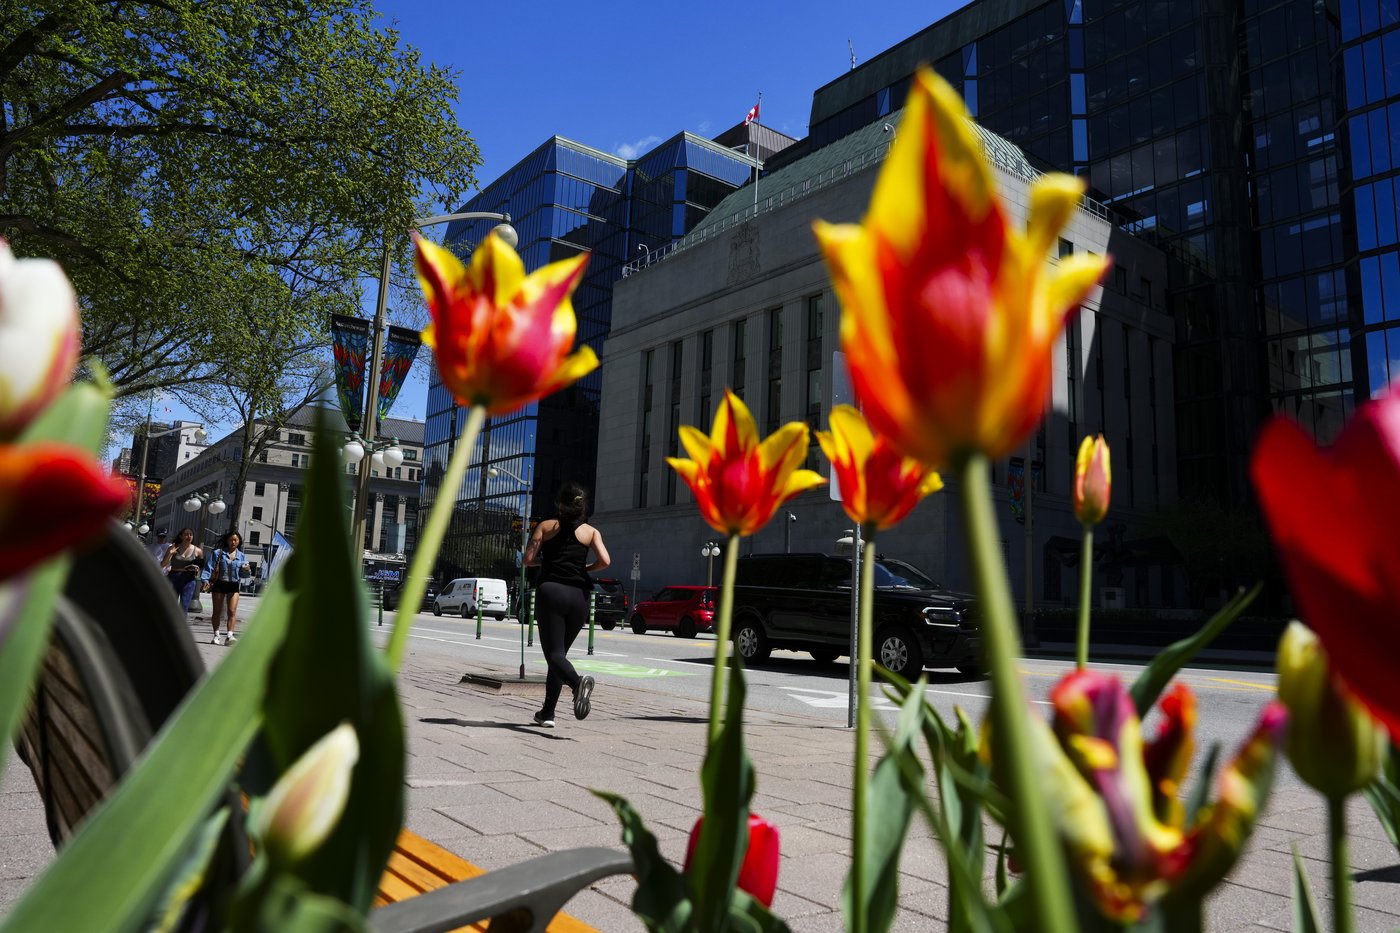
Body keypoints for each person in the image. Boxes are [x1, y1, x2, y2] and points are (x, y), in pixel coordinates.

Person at [523, 481, 610, 728]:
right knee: (559, 655)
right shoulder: (591, 532)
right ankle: (547, 713)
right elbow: (605, 560)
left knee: (554, 654)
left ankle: (577, 683)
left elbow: (528, 560)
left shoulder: (546, 526)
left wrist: (545, 562)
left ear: (560, 504)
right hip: (580, 597)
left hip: (552, 592)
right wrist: (586, 568)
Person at [201, 531, 250, 646]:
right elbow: (209, 567)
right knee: (217, 611)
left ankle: (229, 635)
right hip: (219, 584)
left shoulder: (242, 556)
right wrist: (205, 580)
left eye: (236, 540)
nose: (233, 542)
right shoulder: (218, 553)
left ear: (239, 542)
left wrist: (246, 570)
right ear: (227, 541)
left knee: (232, 611)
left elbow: (245, 576)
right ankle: (216, 635)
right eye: (231, 540)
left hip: (233, 585)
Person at [160, 528, 204, 617]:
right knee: (171, 606)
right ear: (181, 536)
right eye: (186, 534)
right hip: (173, 577)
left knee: (184, 606)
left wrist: (196, 568)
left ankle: (180, 629)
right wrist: (170, 553)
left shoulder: (198, 551)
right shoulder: (173, 547)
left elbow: (201, 566)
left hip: (189, 579)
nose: (189, 536)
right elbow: (163, 564)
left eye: (191, 534)